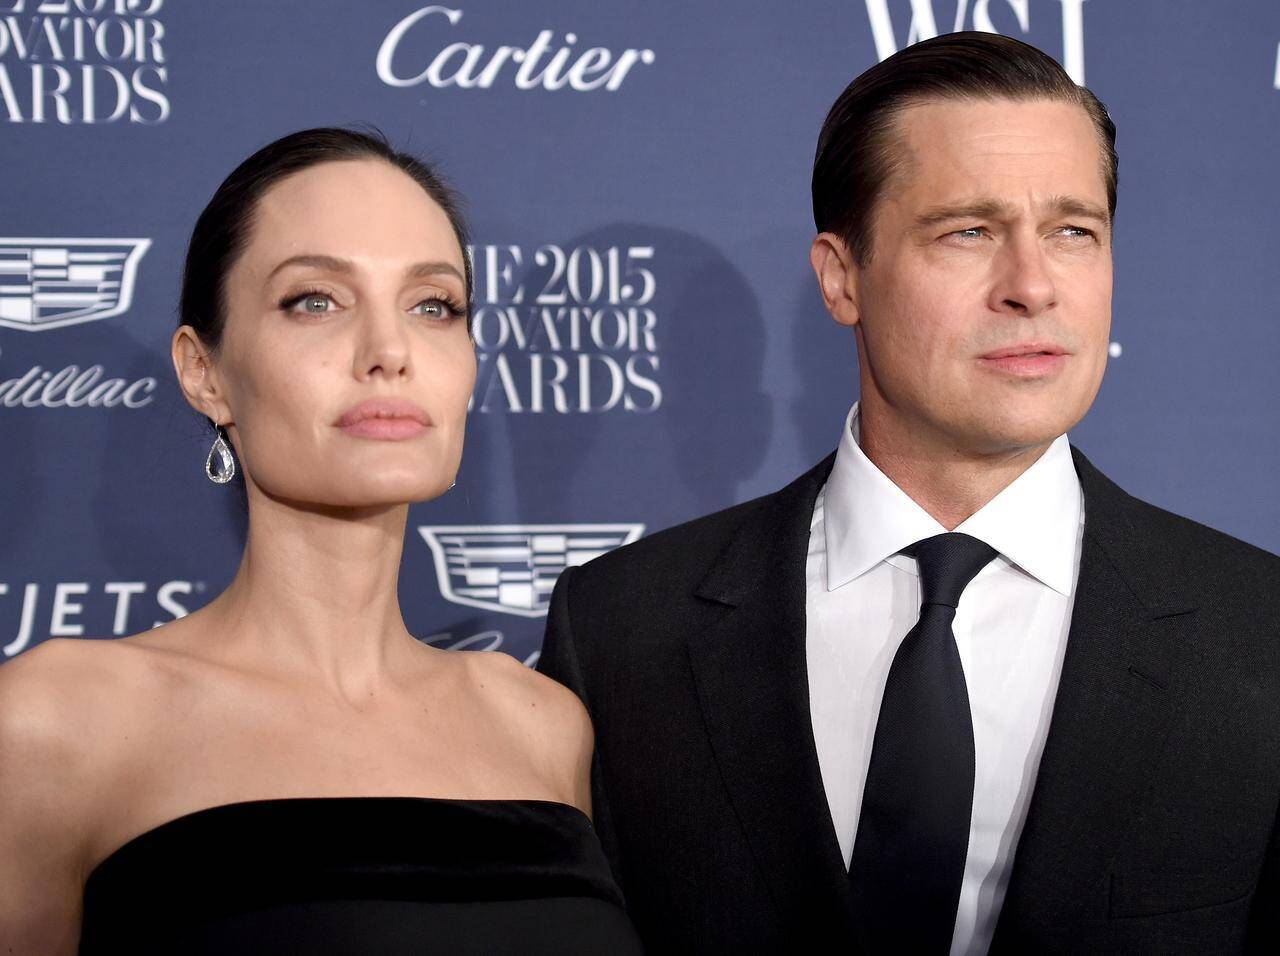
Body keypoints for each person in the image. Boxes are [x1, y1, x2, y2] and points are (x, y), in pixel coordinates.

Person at [539, 32, 1280, 955]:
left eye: (1073, 232)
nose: (1033, 286)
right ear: (841, 277)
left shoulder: (1261, 635)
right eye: (968, 231)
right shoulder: (619, 632)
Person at [0, 128, 642, 955]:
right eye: (315, 300)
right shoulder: (60, 721)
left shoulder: (543, 725)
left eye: (433, 305)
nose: (389, 353)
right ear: (204, 372)